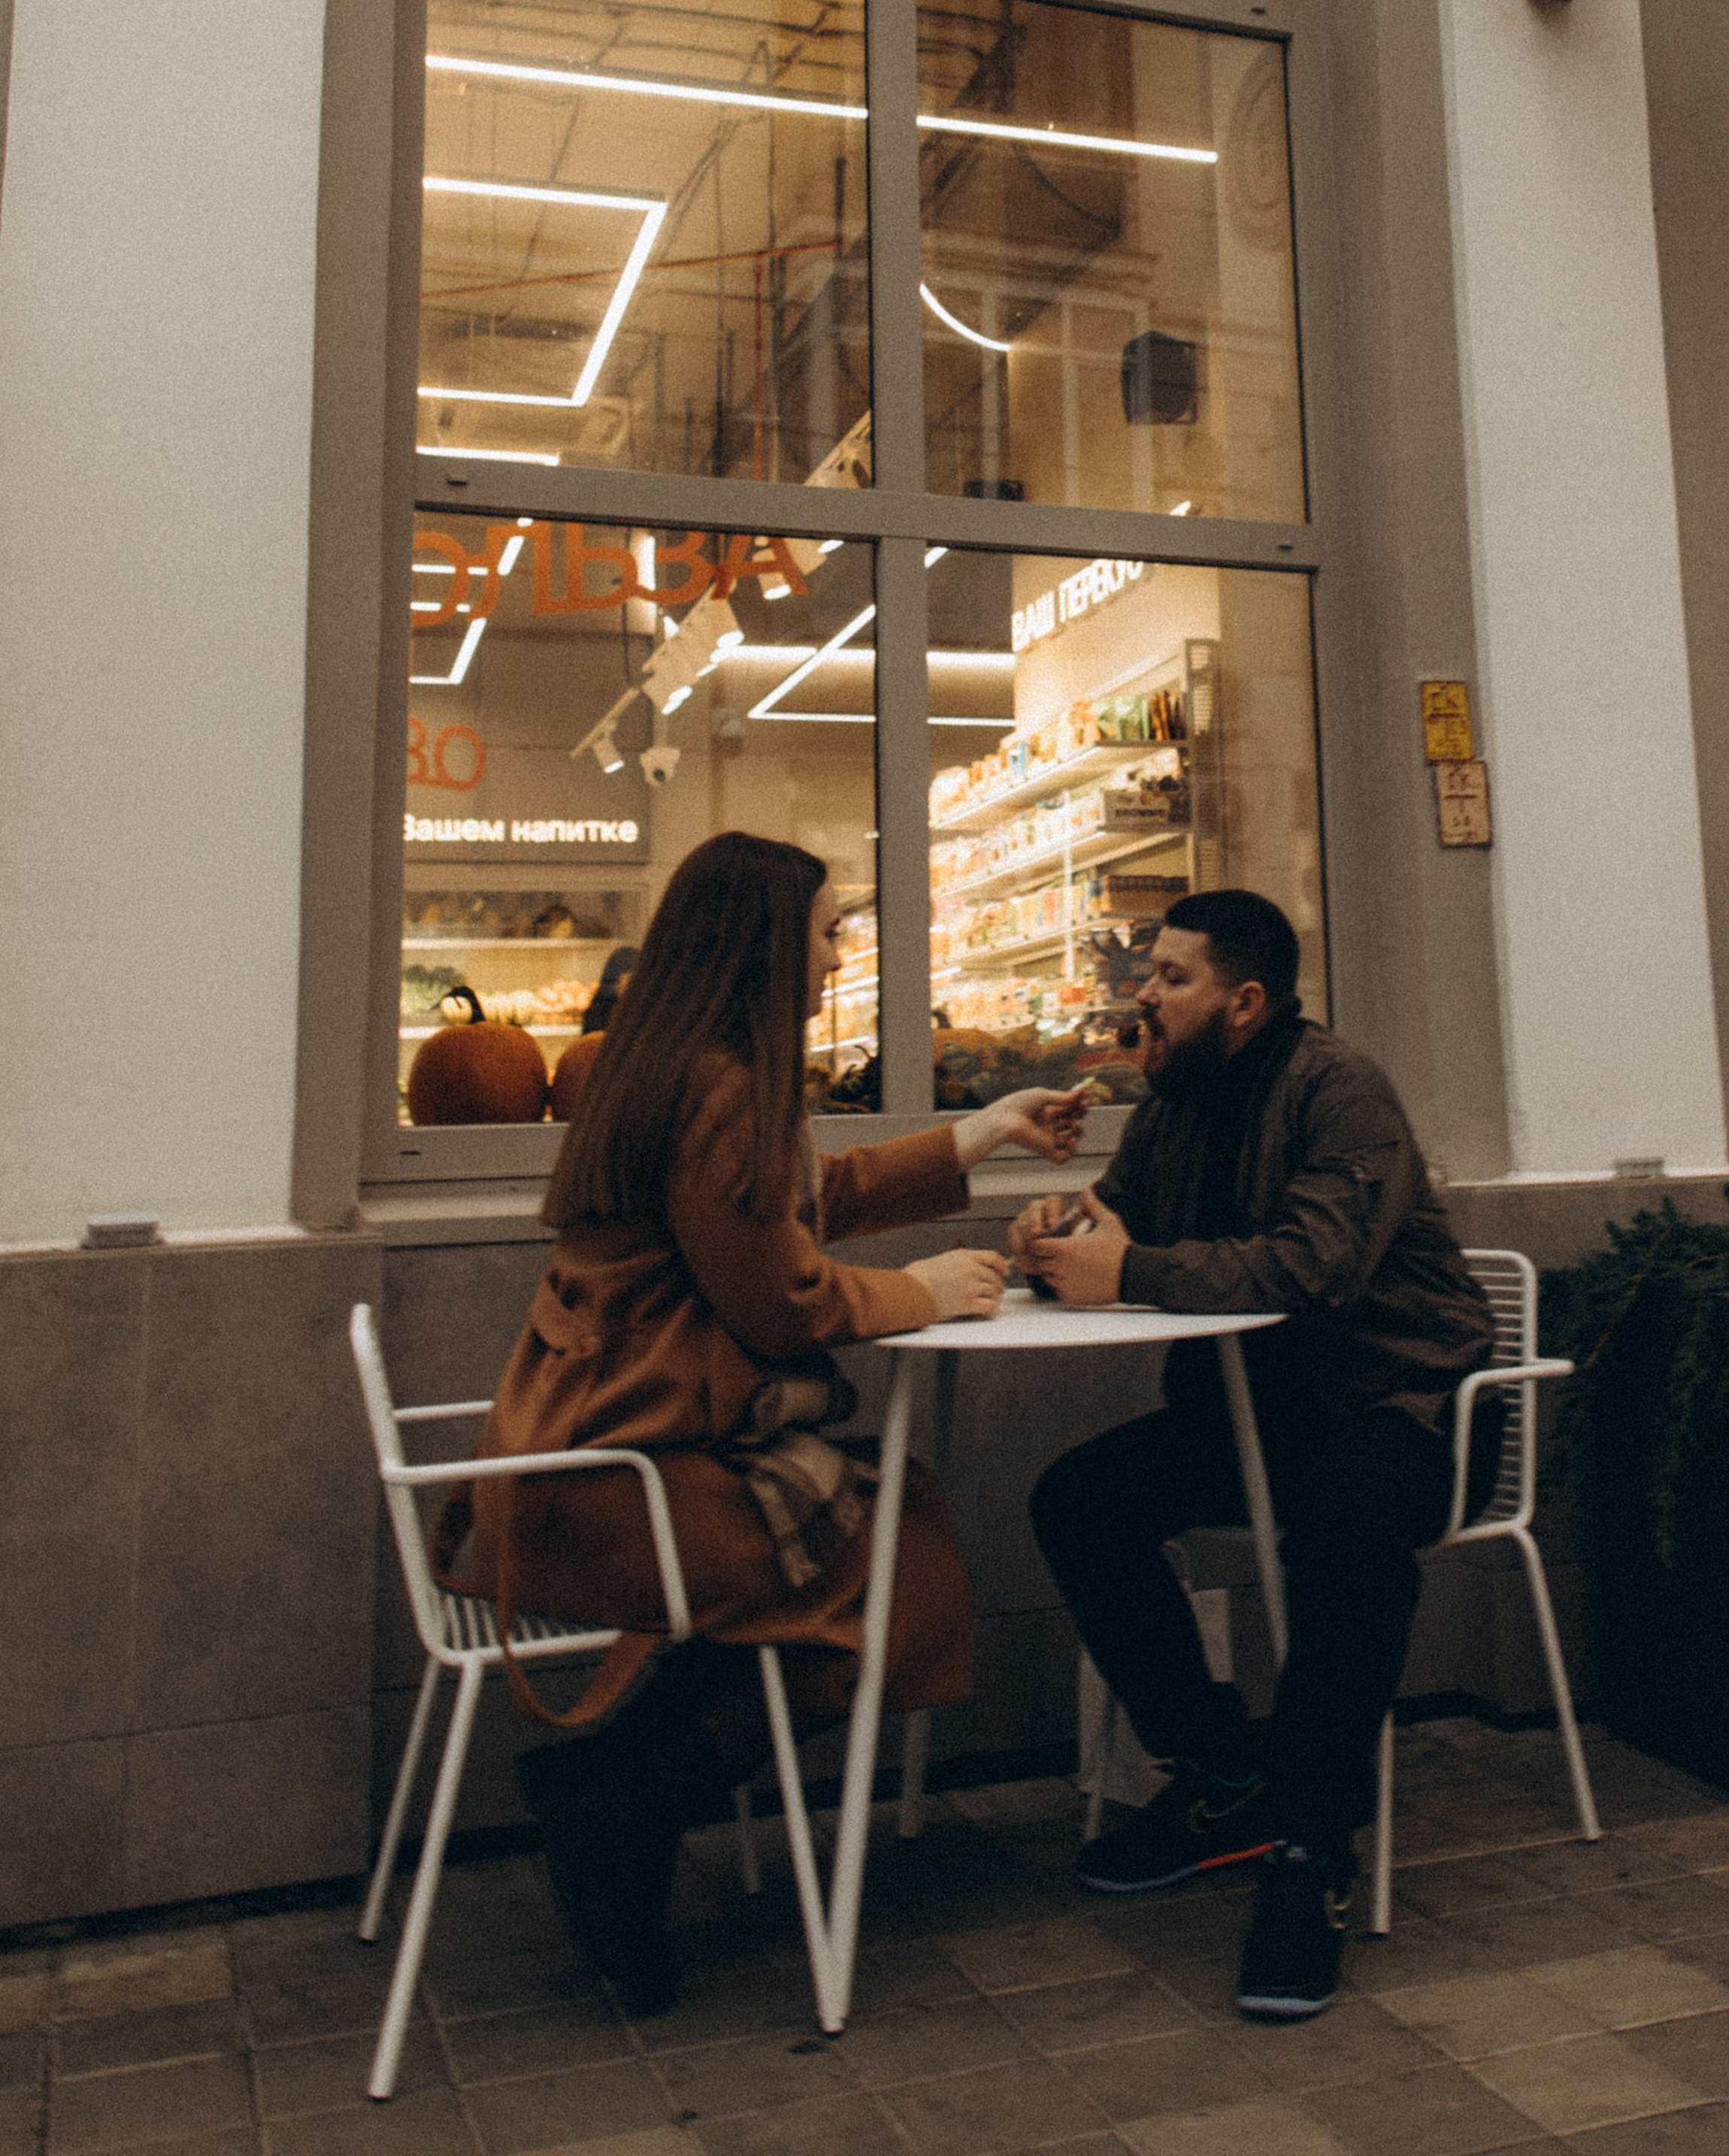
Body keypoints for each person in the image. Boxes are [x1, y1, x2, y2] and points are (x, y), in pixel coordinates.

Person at [435, 830, 1086, 2012]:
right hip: (621, 1485)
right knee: (891, 1570)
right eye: (832, 930)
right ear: (766, 946)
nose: (843, 955)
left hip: (582, 1456)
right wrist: (923, 1291)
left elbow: (799, 1207)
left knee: (881, 1546)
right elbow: (781, 1297)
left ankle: (616, 1803)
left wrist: (981, 1132)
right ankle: (619, 1803)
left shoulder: (675, 1065)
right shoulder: (724, 1088)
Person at [1015, 889, 1494, 2022]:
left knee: (1343, 1522)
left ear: (1245, 1001)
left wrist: (1127, 1273)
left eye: (1172, 979)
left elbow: (1306, 1269)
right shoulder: (1171, 1105)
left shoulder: (1341, 1091)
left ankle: (1312, 1852)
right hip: (1257, 1418)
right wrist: (1049, 1235)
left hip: (1405, 1406)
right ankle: (1226, 1775)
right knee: (1078, 1501)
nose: (1145, 994)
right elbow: (1112, 1225)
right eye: (1149, 974)